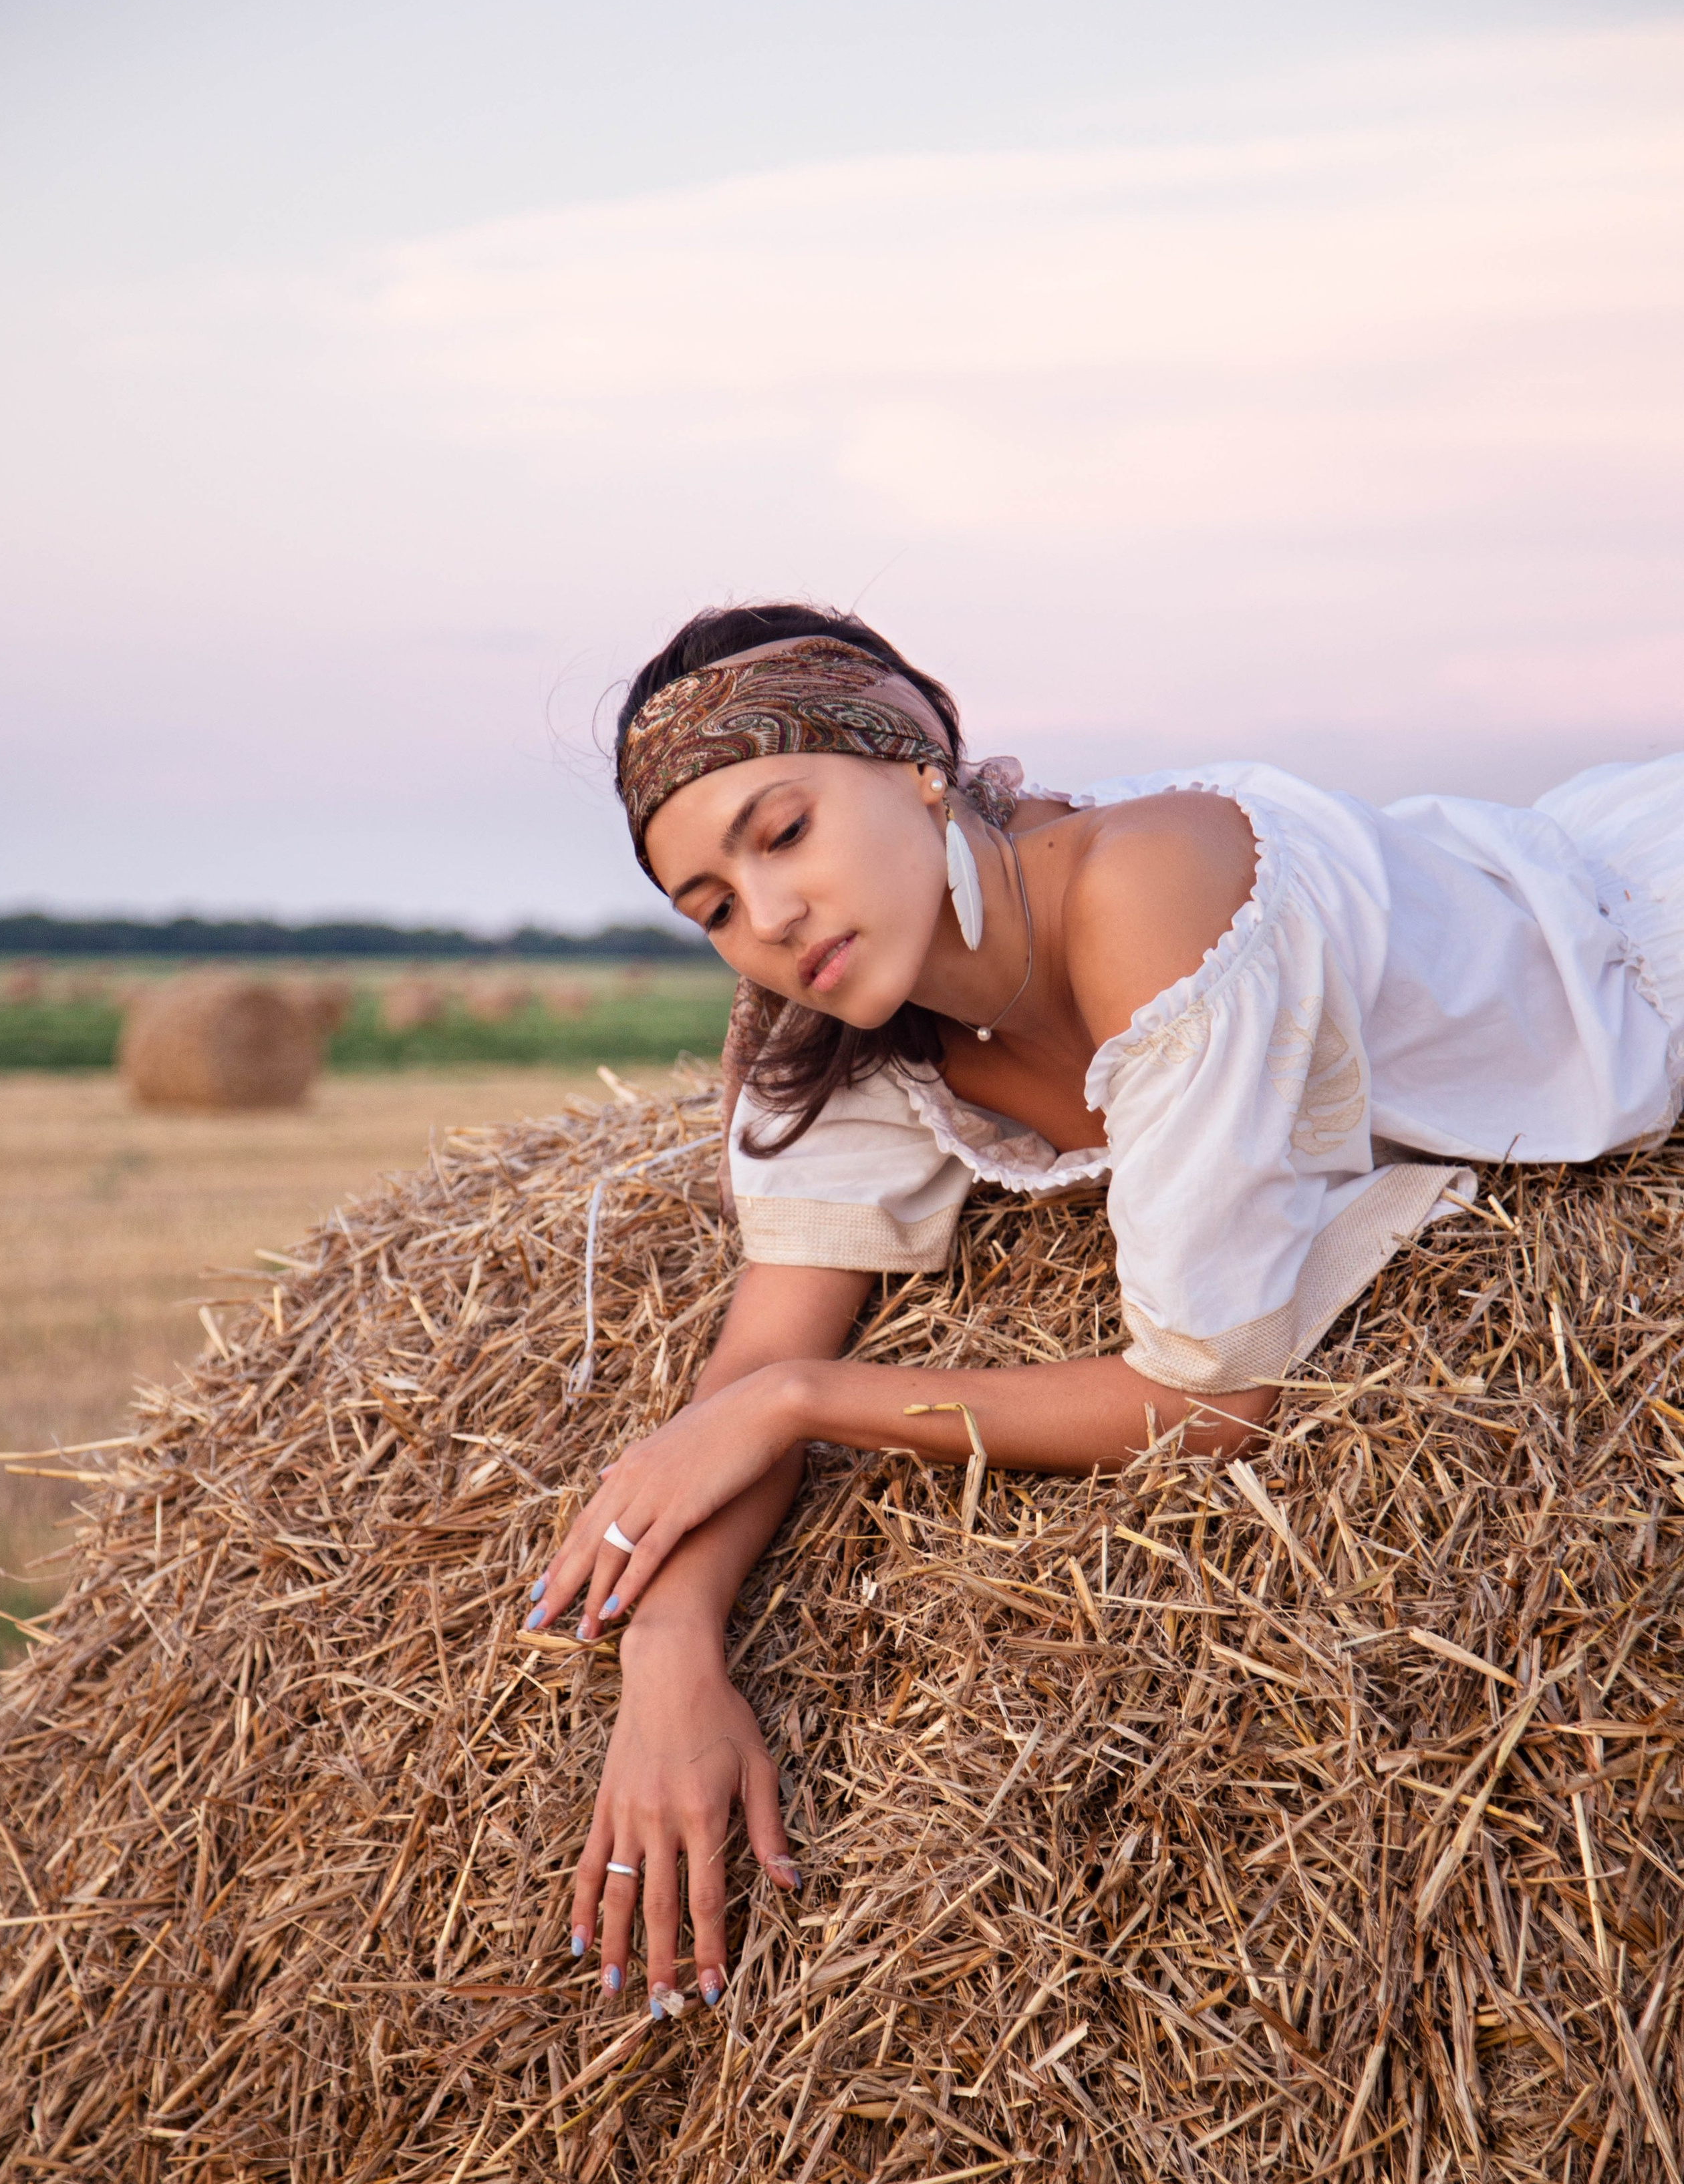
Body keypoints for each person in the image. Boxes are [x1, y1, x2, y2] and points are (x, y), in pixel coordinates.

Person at [525, 601, 1684, 2019]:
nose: (764, 918)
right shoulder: (852, 1037)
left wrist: (800, 1406)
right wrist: (668, 1652)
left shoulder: (1153, 889)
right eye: (710, 906)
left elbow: (1205, 1397)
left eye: (782, 833)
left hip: (1634, 936)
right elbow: (749, 1365)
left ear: (914, 769)